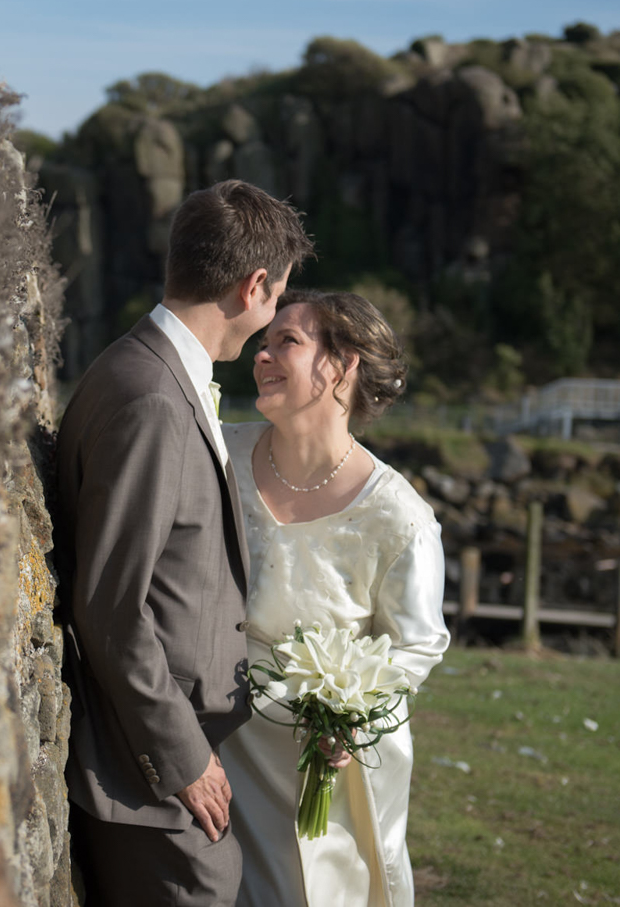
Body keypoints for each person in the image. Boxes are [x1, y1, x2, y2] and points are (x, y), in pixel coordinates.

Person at [55, 180, 313, 907]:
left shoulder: (146, 369)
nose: (269, 321)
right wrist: (182, 757)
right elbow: (111, 604)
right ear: (253, 286)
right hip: (147, 777)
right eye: (276, 297)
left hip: (161, 764)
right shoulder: (153, 400)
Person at [218, 290, 450, 907]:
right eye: (263, 343)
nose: (261, 356)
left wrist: (353, 715)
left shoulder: (399, 519)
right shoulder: (220, 453)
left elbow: (418, 645)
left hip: (319, 760)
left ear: (343, 366)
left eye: (286, 342)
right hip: (214, 729)